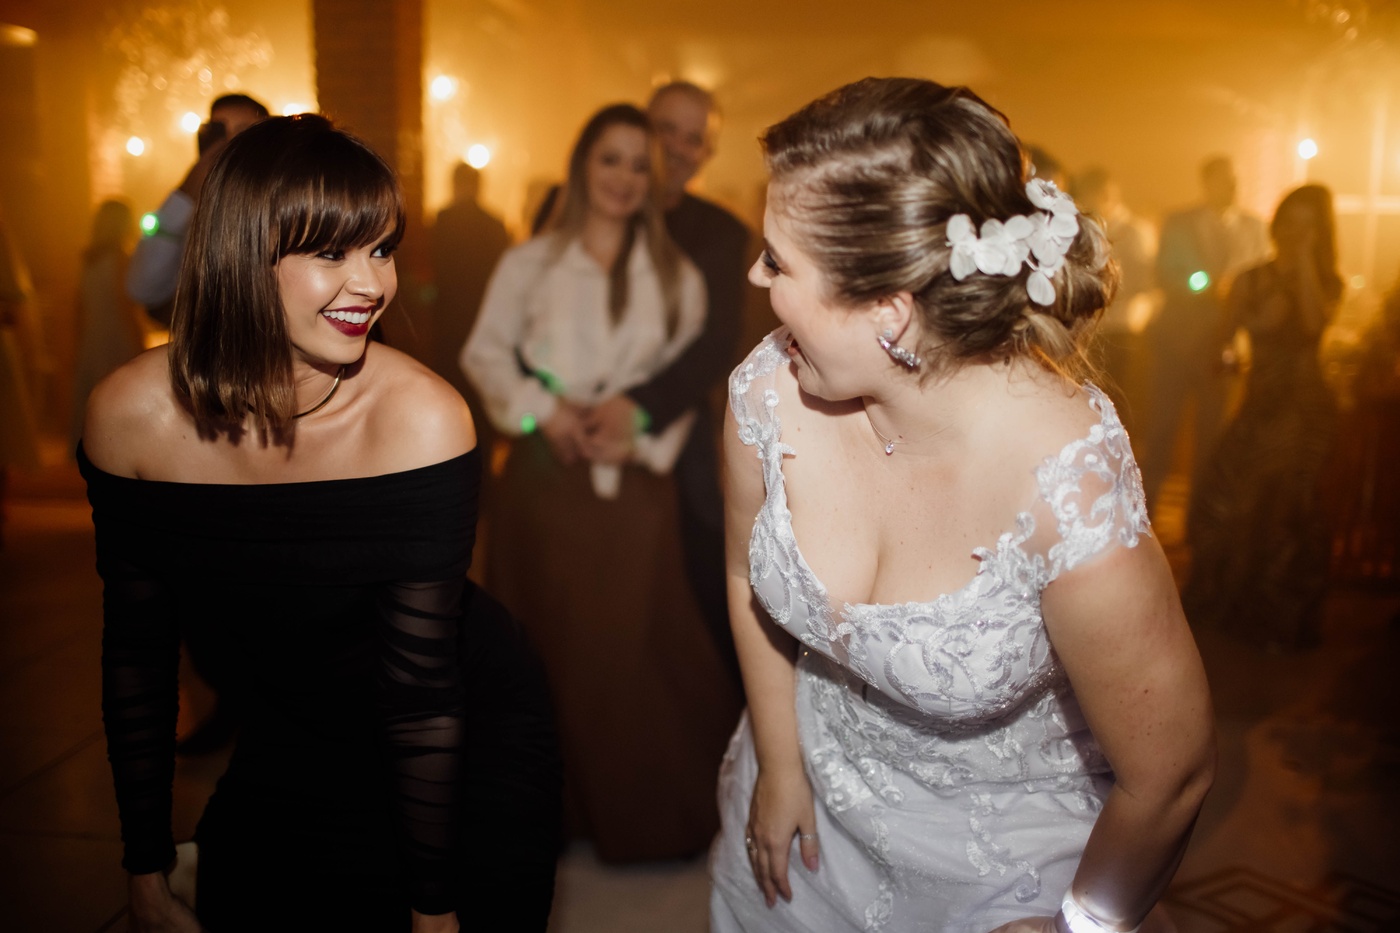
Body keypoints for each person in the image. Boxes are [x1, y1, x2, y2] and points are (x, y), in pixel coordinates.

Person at [709, 78, 1215, 933]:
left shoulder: (1063, 483)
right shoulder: (767, 392)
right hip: (804, 800)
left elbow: (1172, 773)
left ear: (889, 312)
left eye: (779, 262)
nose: (755, 274)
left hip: (1000, 860)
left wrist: (1081, 922)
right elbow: (739, 573)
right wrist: (781, 762)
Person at [81, 115, 559, 932]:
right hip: (285, 724)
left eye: (382, 249)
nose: (372, 284)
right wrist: (145, 867)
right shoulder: (131, 418)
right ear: (242, 253)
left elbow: (420, 693)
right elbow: (137, 655)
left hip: (458, 735)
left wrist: (433, 909)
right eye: (332, 253)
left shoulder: (421, 419)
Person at [462, 103, 742, 862]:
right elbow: (486, 354)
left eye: (639, 164)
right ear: (582, 163)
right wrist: (544, 411)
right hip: (545, 488)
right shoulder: (531, 261)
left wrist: (636, 431)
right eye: (609, 158)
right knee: (543, 653)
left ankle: (636, 819)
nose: (623, 177)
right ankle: (552, 817)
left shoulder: (676, 274)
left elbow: (692, 375)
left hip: (634, 492)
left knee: (630, 655)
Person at [528, 81, 752, 687]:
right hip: (562, 431)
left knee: (695, 600)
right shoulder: (565, 207)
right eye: (665, 129)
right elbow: (529, 319)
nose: (676, 147)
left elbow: (714, 345)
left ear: (707, 154)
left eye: (693, 139)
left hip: (670, 435)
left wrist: (639, 407)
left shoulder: (721, 233)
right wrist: (549, 404)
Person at [1183, 184, 1343, 651]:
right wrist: (1228, 358)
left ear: (1320, 233)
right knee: (1221, 497)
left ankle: (1278, 621)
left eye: (1308, 227)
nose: (1295, 233)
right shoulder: (1250, 279)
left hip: (1305, 409)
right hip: (1259, 405)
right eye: (1290, 222)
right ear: (1276, 223)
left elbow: (1313, 324)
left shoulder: (1328, 281)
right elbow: (1220, 343)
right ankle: (1230, 606)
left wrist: (1305, 263)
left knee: (1284, 506)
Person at [1141, 156, 1269, 514]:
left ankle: (1200, 517)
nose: (1232, 187)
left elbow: (1261, 277)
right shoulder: (1180, 222)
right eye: (1224, 180)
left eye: (1235, 180)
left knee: (1213, 434)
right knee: (1162, 428)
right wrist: (1205, 285)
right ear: (1207, 182)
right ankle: (1143, 514)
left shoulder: (1255, 228)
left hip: (1224, 344)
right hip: (1177, 341)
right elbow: (1165, 273)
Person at [126, 93, 269, 326]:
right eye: (219, 133)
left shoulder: (287, 199)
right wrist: (185, 194)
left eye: (242, 131)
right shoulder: (195, 209)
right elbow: (141, 288)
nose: (228, 143)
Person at [428, 162, 511, 449]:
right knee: (480, 394)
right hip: (483, 317)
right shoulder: (494, 223)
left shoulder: (443, 220)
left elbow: (434, 268)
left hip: (449, 321)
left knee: (450, 387)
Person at [1072, 167, 1155, 433]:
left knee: (1118, 401)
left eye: (1085, 196)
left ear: (1104, 195)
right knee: (1089, 400)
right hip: (1088, 328)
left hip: (1122, 328)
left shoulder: (1134, 231)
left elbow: (1144, 280)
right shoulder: (1083, 228)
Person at [70, 199, 147, 448]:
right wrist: (139, 343)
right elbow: (126, 306)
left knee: (95, 399)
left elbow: (79, 308)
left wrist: (77, 344)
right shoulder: (120, 259)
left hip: (93, 339)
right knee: (120, 398)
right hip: (116, 338)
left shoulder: (88, 261)